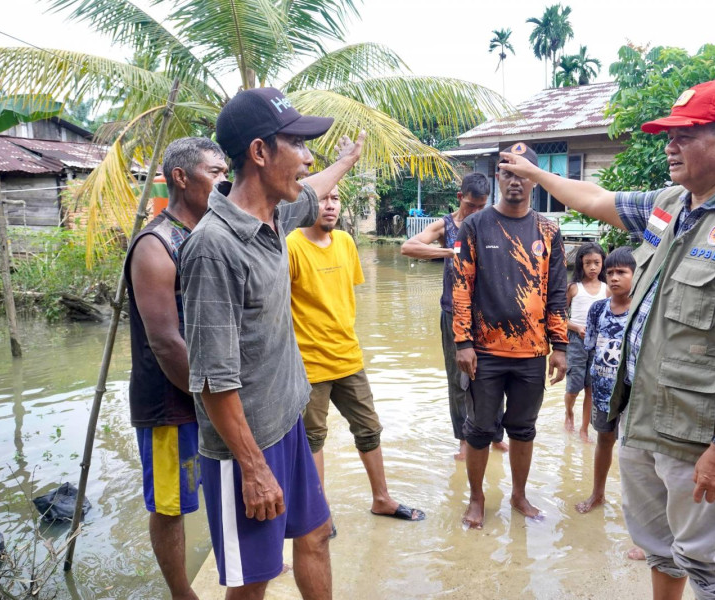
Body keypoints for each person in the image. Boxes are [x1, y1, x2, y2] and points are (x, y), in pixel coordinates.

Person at [497, 80, 715, 599]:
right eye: (669, 135)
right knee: (658, 548)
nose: (670, 146)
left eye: (686, 135)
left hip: (697, 435)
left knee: (711, 565)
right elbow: (594, 197)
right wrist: (533, 172)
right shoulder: (671, 204)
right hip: (642, 420)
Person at [181, 86, 365, 600]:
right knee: (253, 580)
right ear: (260, 153)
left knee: (316, 536)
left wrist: (347, 160)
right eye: (297, 144)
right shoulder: (214, 249)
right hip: (246, 448)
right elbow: (213, 380)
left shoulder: (272, 215)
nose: (308, 158)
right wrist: (253, 470)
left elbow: (314, 188)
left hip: (286, 425)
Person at [125, 137, 228, 600]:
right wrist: (213, 399)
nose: (224, 181)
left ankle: (241, 562)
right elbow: (167, 343)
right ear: (181, 179)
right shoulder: (155, 243)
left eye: (227, 172)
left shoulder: (209, 233)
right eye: (214, 172)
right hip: (172, 401)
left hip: (212, 393)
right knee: (171, 504)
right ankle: (182, 593)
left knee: (223, 485)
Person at [287, 185, 426, 527]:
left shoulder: (347, 242)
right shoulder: (290, 245)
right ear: (304, 202)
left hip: (348, 357)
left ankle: (381, 498)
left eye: (335, 199)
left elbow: (343, 300)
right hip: (308, 364)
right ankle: (319, 514)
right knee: (312, 438)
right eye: (323, 198)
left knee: (368, 429)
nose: (330, 205)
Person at [453, 142, 568, 529]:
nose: (515, 181)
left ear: (534, 179)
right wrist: (463, 343)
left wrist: (561, 347)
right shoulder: (474, 225)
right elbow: (461, 287)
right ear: (497, 177)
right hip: (484, 352)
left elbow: (556, 293)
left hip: (532, 353)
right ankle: (476, 498)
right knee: (479, 430)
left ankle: (519, 495)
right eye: (507, 173)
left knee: (523, 429)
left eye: (522, 173)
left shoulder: (549, 231)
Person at [400, 173, 507, 460]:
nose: (475, 212)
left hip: (487, 315)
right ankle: (463, 439)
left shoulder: (491, 224)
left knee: (493, 377)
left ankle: (496, 435)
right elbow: (408, 247)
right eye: (471, 205)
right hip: (453, 313)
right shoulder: (445, 225)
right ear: (460, 198)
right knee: (458, 379)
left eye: (481, 206)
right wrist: (451, 252)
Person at [574, 247, 633, 514]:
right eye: (610, 272)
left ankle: (638, 510)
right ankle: (598, 494)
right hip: (603, 391)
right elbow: (592, 347)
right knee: (604, 441)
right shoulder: (598, 309)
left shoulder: (643, 310)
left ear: (636, 275)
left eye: (621, 272)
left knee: (636, 454)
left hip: (635, 393)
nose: (614, 278)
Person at [563, 242, 608, 441]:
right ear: (581, 264)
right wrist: (576, 327)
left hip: (598, 344)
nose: (592, 267)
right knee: (573, 386)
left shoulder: (607, 289)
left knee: (591, 388)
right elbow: (559, 317)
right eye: (588, 263)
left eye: (596, 263)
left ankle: (584, 428)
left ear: (602, 264)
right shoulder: (574, 288)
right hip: (576, 341)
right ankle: (569, 412)